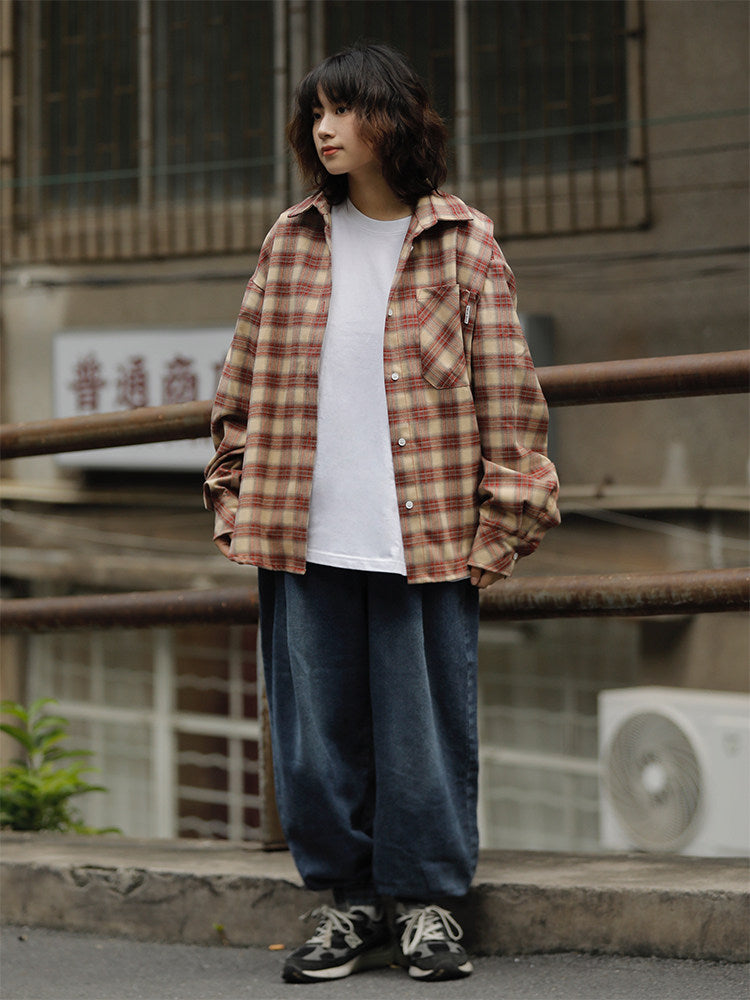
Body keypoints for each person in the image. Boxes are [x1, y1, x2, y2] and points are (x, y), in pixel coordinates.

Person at [204, 42, 559, 984]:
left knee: (423, 740)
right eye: (314, 112)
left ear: (390, 119)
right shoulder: (290, 240)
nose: (323, 128)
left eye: (342, 109)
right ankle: (349, 904)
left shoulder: (463, 241)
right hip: (301, 532)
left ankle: (429, 906)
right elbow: (240, 385)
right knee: (317, 741)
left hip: (426, 534)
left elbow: (508, 393)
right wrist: (236, 491)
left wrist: (505, 520)